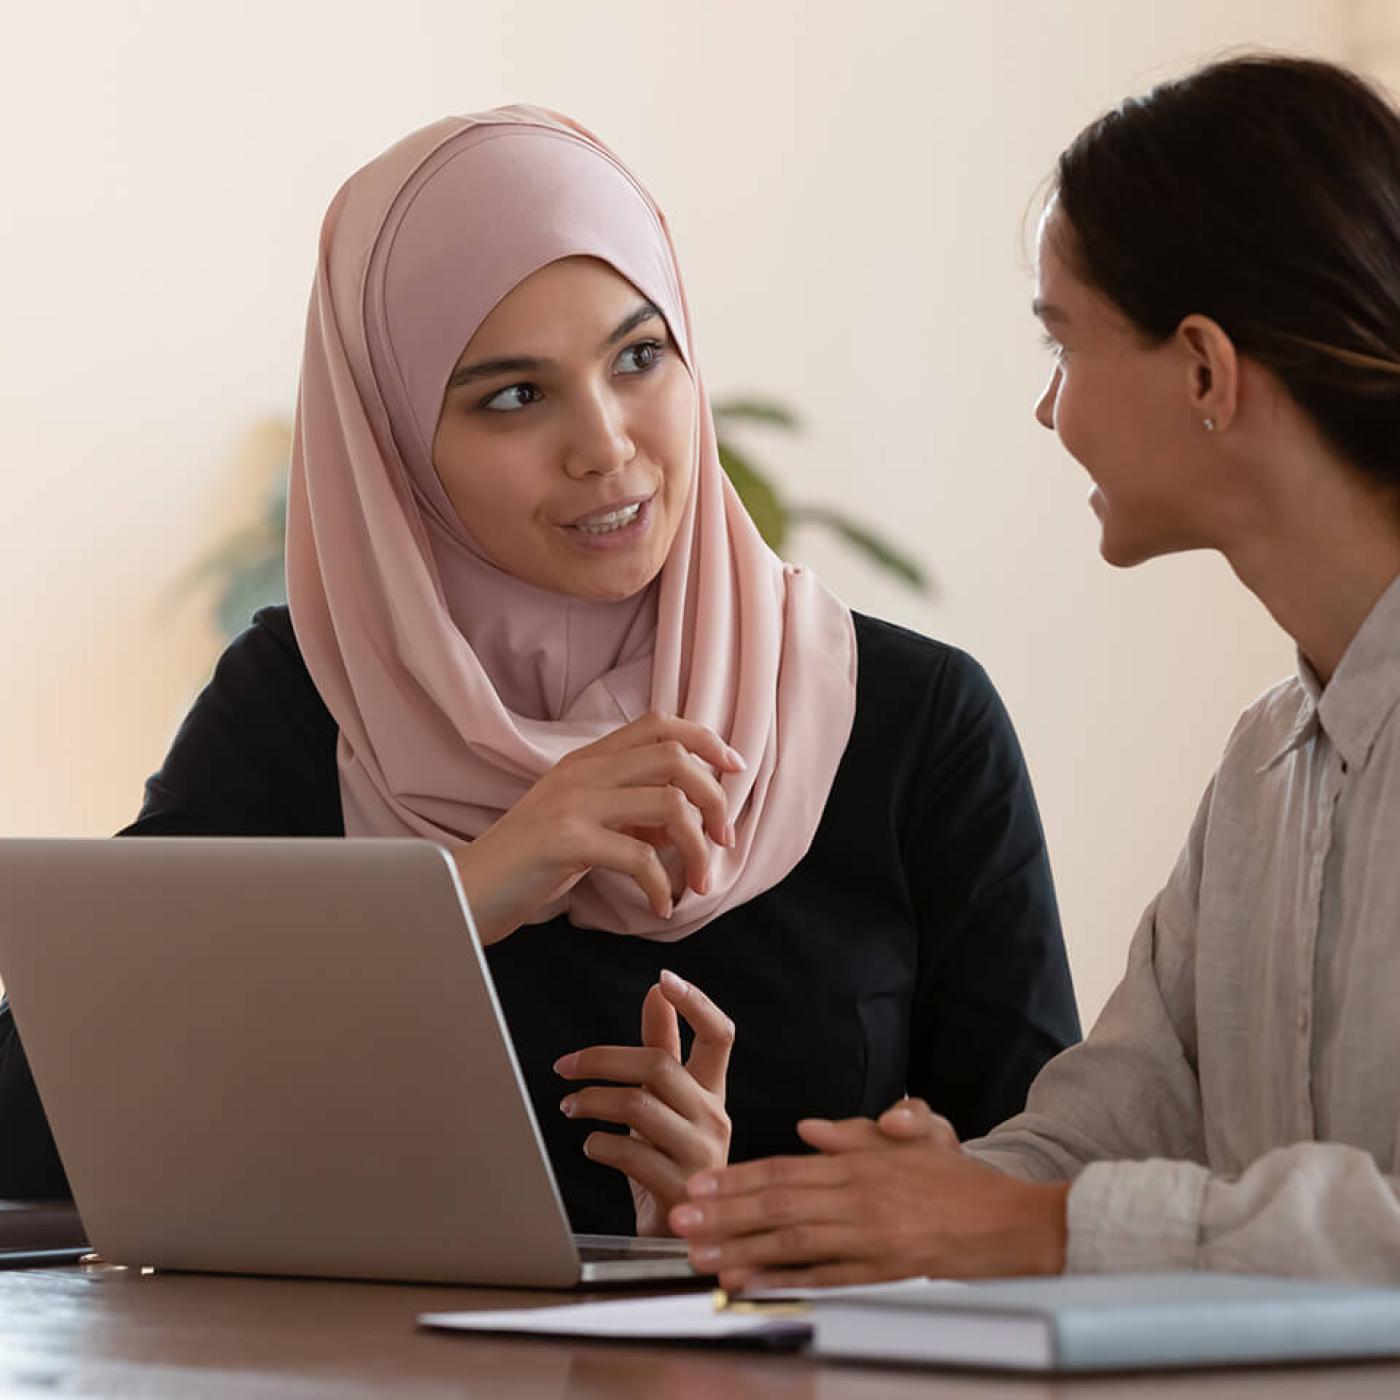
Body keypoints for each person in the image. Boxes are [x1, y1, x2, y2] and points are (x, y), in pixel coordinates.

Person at [0, 107, 1077, 1234]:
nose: (604, 444)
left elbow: (1031, 1186)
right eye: (512, 395)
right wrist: (461, 895)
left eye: (639, 356)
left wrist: (737, 1224)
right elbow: (28, 1126)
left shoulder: (909, 720)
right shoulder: (304, 703)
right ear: (397, 448)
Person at [668, 54, 1400, 1284]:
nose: (1048, 412)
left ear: (1205, 372)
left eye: (1061, 343)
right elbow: (1104, 1127)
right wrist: (908, 1192)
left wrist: (1033, 1225)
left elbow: (1078, 1211)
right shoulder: (1263, 766)